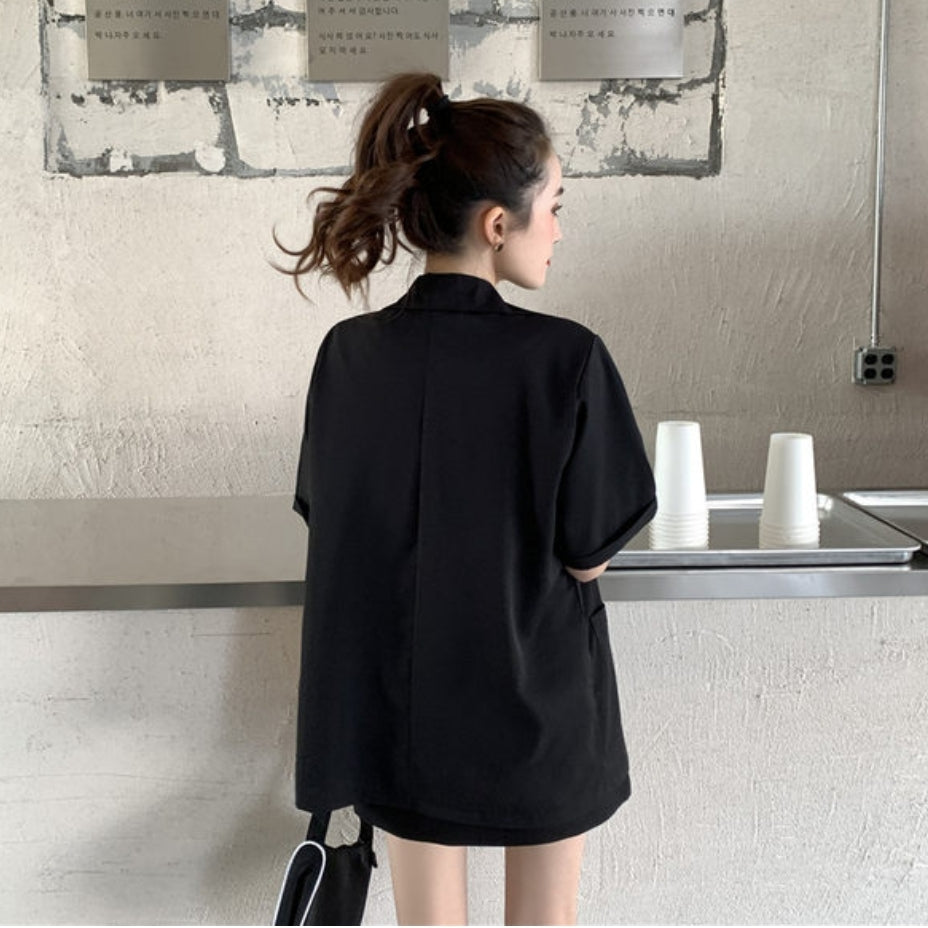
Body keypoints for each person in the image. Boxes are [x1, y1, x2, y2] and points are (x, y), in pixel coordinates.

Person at [282, 72, 656, 926]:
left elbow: (336, 523)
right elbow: (589, 555)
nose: (558, 230)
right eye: (553, 206)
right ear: (496, 224)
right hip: (536, 702)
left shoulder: (348, 355)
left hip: (398, 710)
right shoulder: (567, 358)